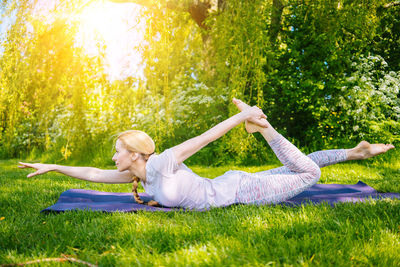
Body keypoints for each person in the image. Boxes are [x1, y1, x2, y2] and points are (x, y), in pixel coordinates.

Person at [18, 98, 395, 209]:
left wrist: (243, 117)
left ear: (134, 154)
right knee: (300, 166)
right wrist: (52, 165)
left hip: (241, 192)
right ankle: (353, 153)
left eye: (117, 152)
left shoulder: (162, 162)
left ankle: (262, 127)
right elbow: (92, 174)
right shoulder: (139, 175)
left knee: (308, 174)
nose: (112, 158)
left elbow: (205, 138)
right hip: (234, 185)